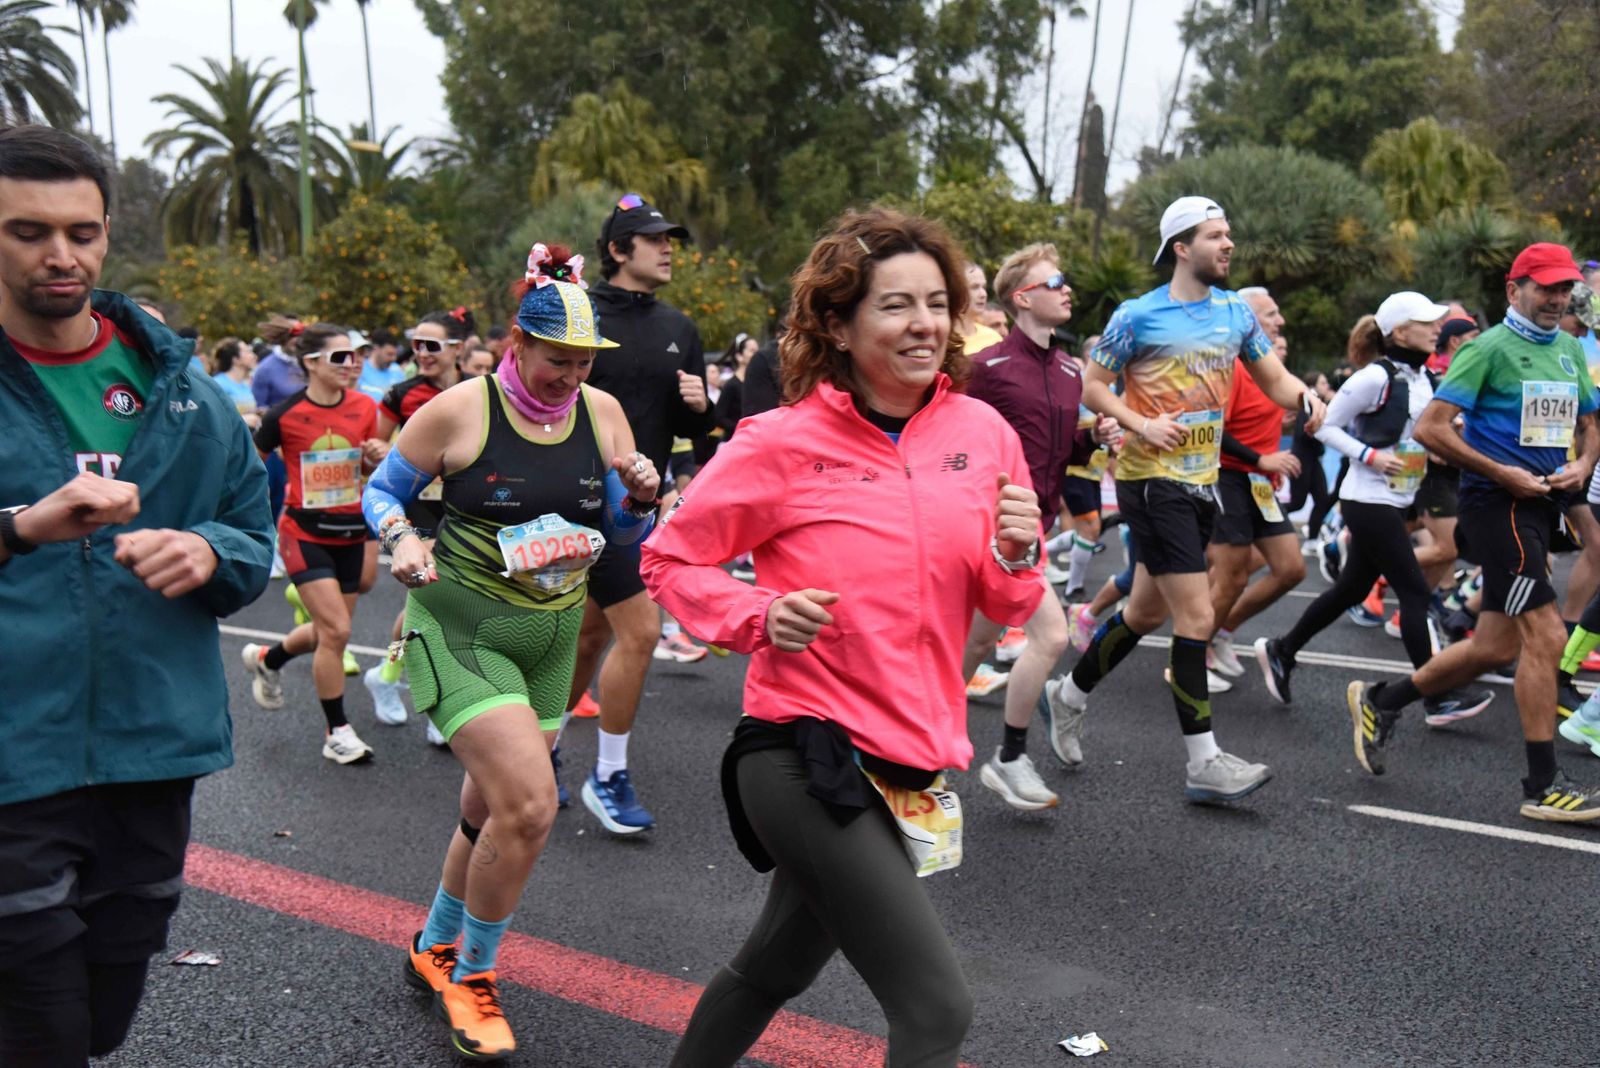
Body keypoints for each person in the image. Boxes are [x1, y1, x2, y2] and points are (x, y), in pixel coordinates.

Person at [641, 206, 1043, 1068]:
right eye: (896, 305)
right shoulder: (781, 442)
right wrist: (757, 616)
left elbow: (1008, 601)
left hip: (909, 755)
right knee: (936, 1010)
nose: (925, 323)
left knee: (772, 968)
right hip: (802, 752)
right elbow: (669, 558)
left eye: (937, 303)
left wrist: (1018, 552)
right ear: (837, 324)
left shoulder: (983, 435)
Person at [0, 123, 273, 1065]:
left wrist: (206, 549)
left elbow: (252, 537)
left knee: (103, 1018)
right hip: (13, 761)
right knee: (45, 1030)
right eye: (28, 232)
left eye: (81, 232)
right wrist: (19, 527)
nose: (60, 254)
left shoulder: (180, 389)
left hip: (151, 753)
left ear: (108, 233)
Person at [362, 243, 660, 1061]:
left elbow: (620, 532)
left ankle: (434, 944)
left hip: (552, 638)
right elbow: (382, 491)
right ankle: (474, 977)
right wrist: (402, 538)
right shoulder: (459, 410)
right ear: (518, 344)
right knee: (529, 807)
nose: (572, 376)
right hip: (460, 627)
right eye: (557, 359)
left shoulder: (602, 413)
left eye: (584, 362)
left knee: (488, 809)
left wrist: (639, 500)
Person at [1044, 195, 1325, 801]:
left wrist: (1305, 398)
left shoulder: (1235, 313)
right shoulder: (1137, 316)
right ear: (1181, 248)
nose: (1228, 245)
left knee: (1145, 613)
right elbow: (1093, 387)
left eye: (1228, 234)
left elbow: (1274, 380)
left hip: (1201, 482)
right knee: (1196, 616)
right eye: (1214, 236)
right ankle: (1204, 762)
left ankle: (1065, 696)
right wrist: (1140, 424)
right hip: (1151, 480)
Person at [1343, 244, 1600, 821]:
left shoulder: (1566, 348)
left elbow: (1589, 424)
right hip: (1497, 506)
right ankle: (1543, 788)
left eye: (1564, 289)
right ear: (1514, 291)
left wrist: (1582, 466)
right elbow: (1431, 429)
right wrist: (1501, 471)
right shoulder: (1487, 350)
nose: (1557, 299)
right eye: (1545, 288)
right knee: (1546, 638)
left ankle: (1382, 701)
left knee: (1495, 647)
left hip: (1543, 503)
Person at [1254, 293, 1491, 720]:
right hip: (1367, 500)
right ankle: (1436, 696)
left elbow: (1418, 433)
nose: (1437, 328)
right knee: (1415, 593)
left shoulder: (1424, 379)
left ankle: (1282, 650)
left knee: (1351, 588)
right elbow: (1322, 425)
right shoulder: (1373, 378)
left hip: (1399, 498)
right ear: (1399, 331)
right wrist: (1369, 456)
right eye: (1427, 322)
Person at [564, 193, 714, 833]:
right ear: (618, 249)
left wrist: (702, 408)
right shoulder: (577, 311)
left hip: (632, 507)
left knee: (621, 634)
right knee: (596, 638)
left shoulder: (680, 327)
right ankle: (561, 756)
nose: (668, 248)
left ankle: (601, 773)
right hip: (564, 499)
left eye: (670, 239)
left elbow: (694, 434)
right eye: (654, 239)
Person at [960, 241, 1111, 808]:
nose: (1066, 289)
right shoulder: (986, 368)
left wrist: (1093, 439)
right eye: (1054, 282)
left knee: (978, 640)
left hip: (1034, 528)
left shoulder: (1071, 371)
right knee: (1051, 635)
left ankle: (913, 745)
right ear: (1022, 298)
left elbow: (1060, 450)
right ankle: (1009, 757)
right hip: (990, 529)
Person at [241, 318, 385, 764]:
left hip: (352, 531)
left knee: (329, 632)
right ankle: (336, 731)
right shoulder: (284, 415)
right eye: (341, 356)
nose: (351, 363)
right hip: (304, 533)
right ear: (311, 362)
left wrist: (373, 458)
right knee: (337, 632)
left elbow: (362, 468)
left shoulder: (364, 407)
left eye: (355, 355)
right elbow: (248, 467)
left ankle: (269, 658)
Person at [363, 308, 473, 743]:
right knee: (432, 606)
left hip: (467, 507)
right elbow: (375, 449)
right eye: (416, 345)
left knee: (432, 610)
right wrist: (375, 451)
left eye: (431, 345)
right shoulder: (401, 394)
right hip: (419, 512)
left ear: (457, 348)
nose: (421, 353)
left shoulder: (477, 390)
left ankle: (388, 672)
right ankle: (435, 704)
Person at [1205, 287, 1307, 683]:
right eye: (1271, 314)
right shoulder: (1230, 364)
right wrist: (1261, 458)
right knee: (1230, 578)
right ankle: (1189, 659)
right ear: (1247, 319)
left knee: (1290, 568)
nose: (1280, 321)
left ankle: (1221, 631)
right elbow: (1213, 428)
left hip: (1259, 483)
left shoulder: (1266, 366)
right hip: (1228, 476)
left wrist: (1280, 420)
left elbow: (1254, 414)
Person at [210, 336, 259, 429]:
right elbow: (212, 418)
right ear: (235, 359)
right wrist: (242, 420)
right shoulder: (218, 384)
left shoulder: (245, 384)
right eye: (248, 352)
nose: (254, 356)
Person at [958, 260, 1004, 354]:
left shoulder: (993, 338)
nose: (983, 294)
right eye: (974, 287)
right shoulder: (943, 339)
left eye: (984, 287)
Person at [357, 325, 407, 402]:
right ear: (376, 349)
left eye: (395, 354)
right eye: (389, 354)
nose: (393, 358)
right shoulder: (360, 370)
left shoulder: (397, 370)